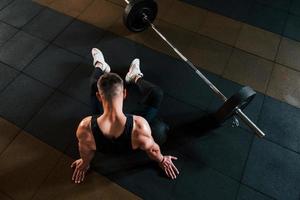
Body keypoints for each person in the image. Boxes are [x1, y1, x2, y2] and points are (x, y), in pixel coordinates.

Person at [71, 48, 179, 184]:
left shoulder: (85, 126)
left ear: (99, 97)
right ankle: (134, 77)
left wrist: (85, 164)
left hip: (102, 132)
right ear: (125, 94)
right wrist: (162, 160)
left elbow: (84, 150)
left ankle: (100, 66)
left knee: (94, 84)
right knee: (156, 93)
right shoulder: (140, 126)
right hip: (132, 137)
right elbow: (152, 149)